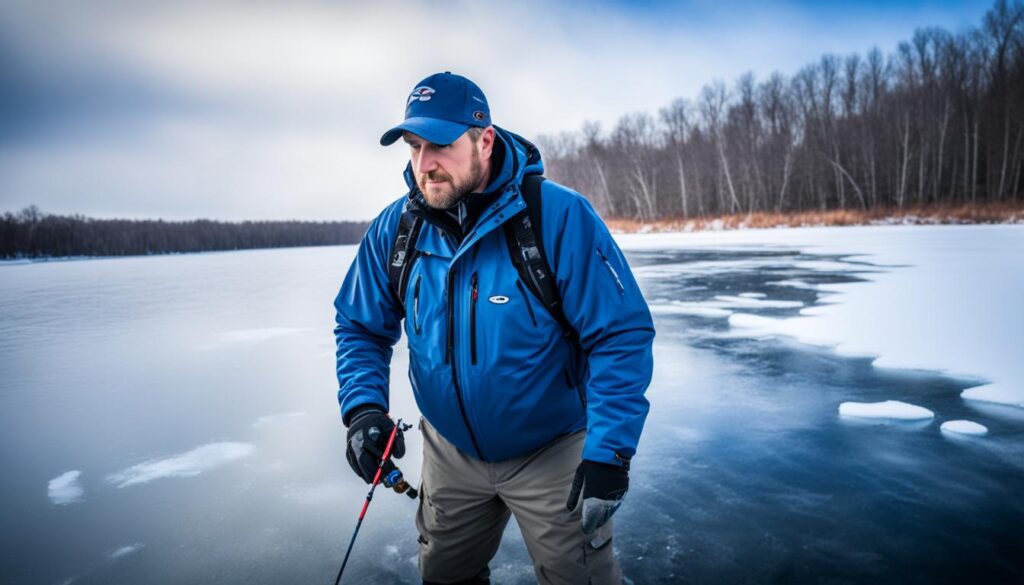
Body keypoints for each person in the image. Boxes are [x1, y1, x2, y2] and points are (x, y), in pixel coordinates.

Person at [333, 71, 655, 585]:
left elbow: (619, 334)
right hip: (451, 452)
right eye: (414, 146)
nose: (424, 164)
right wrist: (363, 409)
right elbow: (359, 326)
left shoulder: (558, 217)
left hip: (552, 452)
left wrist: (610, 453)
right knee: (445, 576)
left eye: (439, 144)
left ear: (484, 139)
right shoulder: (396, 231)